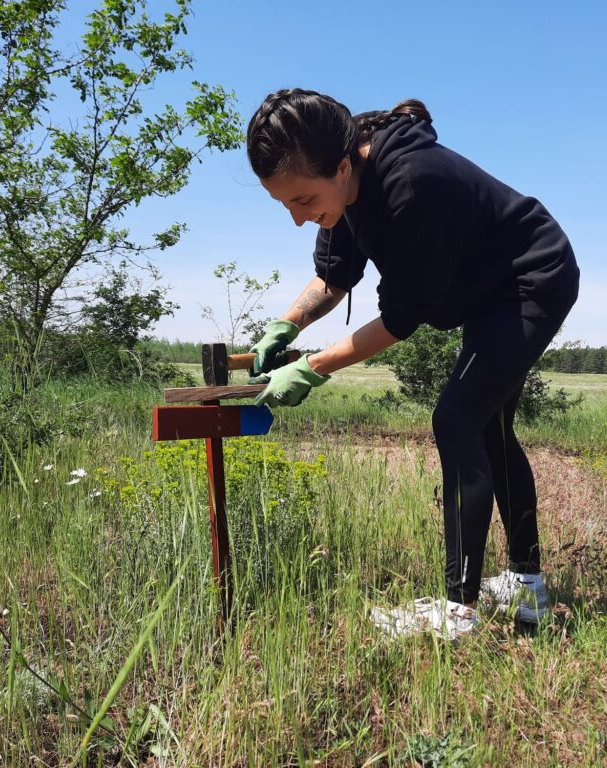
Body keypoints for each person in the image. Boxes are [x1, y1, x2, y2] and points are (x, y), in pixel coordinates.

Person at [244, 88, 579, 637]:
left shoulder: (411, 183)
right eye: (286, 206)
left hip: (530, 278)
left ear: (344, 164)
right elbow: (333, 278)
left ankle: (458, 612)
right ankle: (527, 588)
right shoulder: (342, 190)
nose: (299, 219)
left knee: (458, 419)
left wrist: (312, 367)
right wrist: (288, 324)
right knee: (489, 425)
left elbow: (402, 319)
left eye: (303, 201)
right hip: (487, 290)